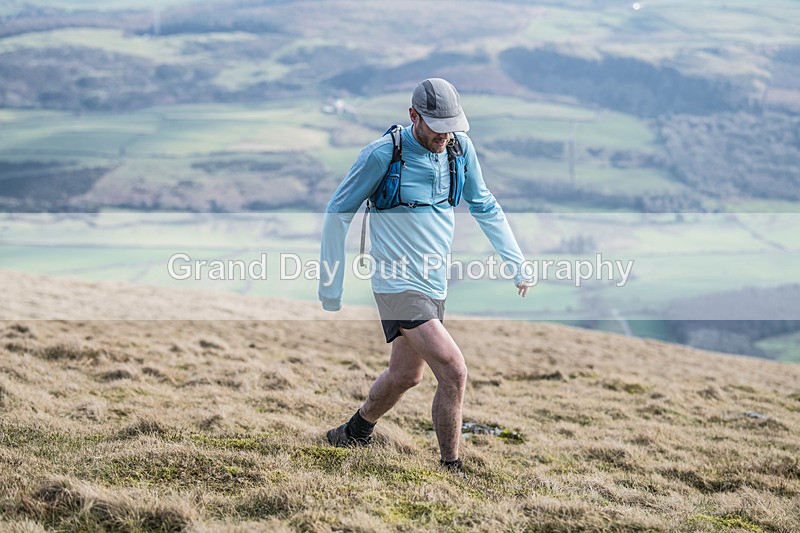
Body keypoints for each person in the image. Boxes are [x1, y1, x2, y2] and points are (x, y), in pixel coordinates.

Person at [318, 78, 531, 475]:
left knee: (405, 376)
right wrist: (331, 286)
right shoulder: (383, 154)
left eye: (452, 126)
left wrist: (516, 262)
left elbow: (484, 204)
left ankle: (353, 431)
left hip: (434, 282)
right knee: (453, 369)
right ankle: (451, 467)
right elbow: (338, 211)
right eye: (436, 125)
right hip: (397, 282)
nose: (444, 135)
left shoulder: (459, 149)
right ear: (413, 115)